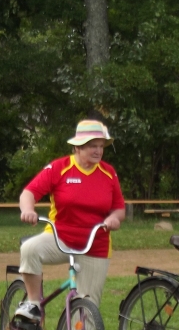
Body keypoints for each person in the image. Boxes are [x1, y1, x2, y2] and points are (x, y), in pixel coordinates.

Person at [15, 119, 125, 318]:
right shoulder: (60, 167)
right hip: (60, 238)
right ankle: (32, 303)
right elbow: (29, 193)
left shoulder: (108, 173)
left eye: (101, 146)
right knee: (30, 249)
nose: (98, 151)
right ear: (77, 147)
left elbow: (119, 207)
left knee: (86, 312)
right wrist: (28, 209)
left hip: (95, 245)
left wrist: (114, 219)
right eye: (93, 146)